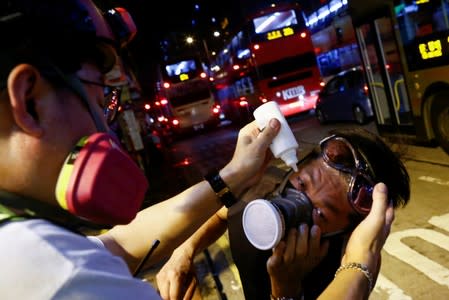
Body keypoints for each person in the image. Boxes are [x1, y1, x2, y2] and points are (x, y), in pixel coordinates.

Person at [0, 0, 282, 298]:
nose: (106, 129)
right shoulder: (63, 278)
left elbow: (119, 244)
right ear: (29, 101)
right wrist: (291, 285)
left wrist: (234, 175)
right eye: (100, 104)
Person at [156, 128, 410, 299]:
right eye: (302, 185)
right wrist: (183, 253)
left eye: (321, 213)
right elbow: (220, 215)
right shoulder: (260, 188)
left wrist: (286, 289)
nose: (298, 203)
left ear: (352, 229)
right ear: (295, 167)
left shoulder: (351, 262)